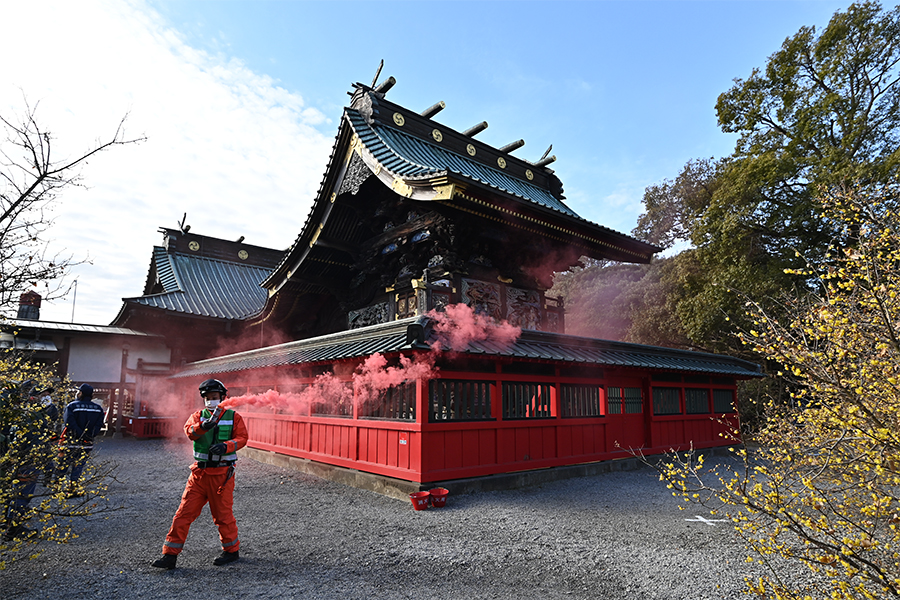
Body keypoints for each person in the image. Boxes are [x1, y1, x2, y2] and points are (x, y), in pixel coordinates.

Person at [151, 379, 248, 569]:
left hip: (222, 475)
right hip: (198, 475)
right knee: (183, 514)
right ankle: (169, 555)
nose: (210, 401)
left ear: (222, 398)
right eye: (207, 398)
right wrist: (203, 426)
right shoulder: (197, 416)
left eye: (214, 398)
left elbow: (242, 438)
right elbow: (189, 432)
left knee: (222, 515)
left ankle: (231, 551)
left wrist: (226, 446)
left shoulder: (233, 417)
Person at [56, 384, 104, 496]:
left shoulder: (72, 406)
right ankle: (73, 489)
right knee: (78, 466)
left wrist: (79, 433)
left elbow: (69, 423)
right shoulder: (98, 409)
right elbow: (98, 425)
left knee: (63, 465)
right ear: (92, 395)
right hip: (86, 443)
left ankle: (58, 490)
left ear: (80, 393)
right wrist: (88, 435)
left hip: (70, 442)